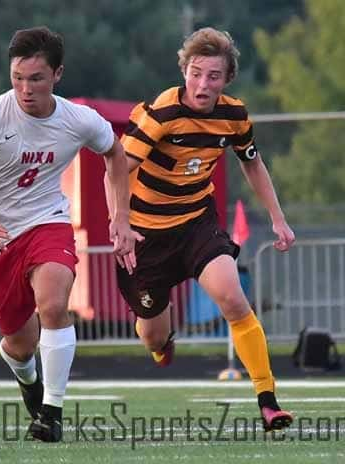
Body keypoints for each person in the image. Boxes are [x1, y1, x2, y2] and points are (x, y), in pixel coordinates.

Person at [0, 26, 137, 442]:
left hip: (48, 222)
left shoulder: (79, 120)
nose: (26, 89)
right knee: (20, 345)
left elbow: (115, 154)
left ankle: (52, 412)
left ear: (58, 74)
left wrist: (121, 217)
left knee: (54, 303)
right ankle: (30, 383)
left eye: (37, 79)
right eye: (18, 78)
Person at [105, 27, 295, 432]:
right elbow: (117, 166)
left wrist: (278, 218)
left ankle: (268, 400)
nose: (202, 84)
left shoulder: (234, 115)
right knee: (153, 336)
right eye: (195, 73)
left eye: (212, 76)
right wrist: (119, 221)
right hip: (145, 235)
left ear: (227, 79)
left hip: (196, 223)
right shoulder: (163, 112)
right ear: (184, 71)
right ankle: (161, 340)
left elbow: (252, 163)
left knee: (233, 299)